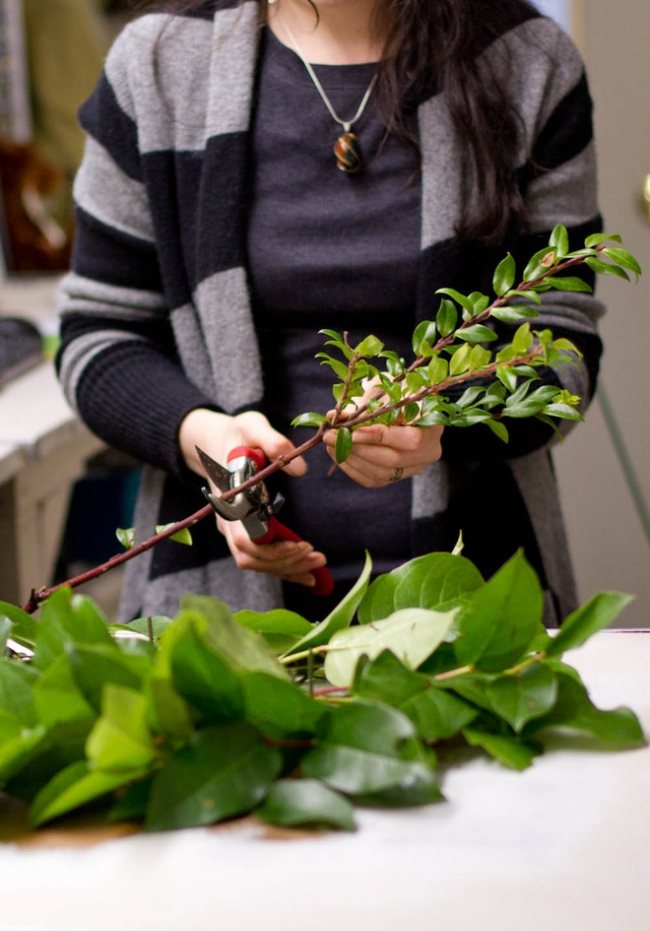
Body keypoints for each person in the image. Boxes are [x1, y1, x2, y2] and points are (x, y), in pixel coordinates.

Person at [56, 0, 603, 626]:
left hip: (476, 612)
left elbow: (562, 346)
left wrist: (444, 416)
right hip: (215, 628)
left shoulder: (528, 62)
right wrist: (208, 440)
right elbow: (99, 336)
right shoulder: (158, 66)